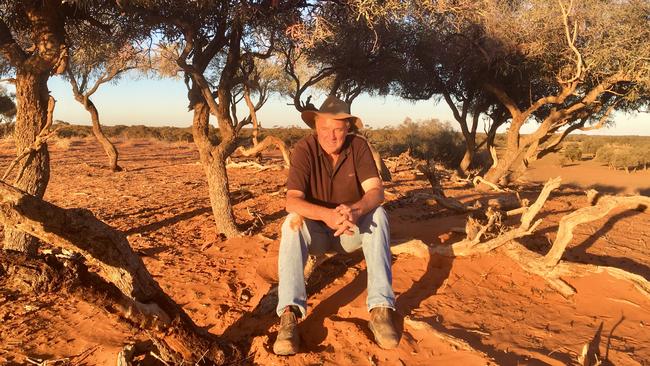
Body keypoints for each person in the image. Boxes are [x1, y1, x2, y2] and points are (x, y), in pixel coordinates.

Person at [273, 95, 399, 356]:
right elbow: (291, 201)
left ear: (348, 129)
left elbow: (375, 192)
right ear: (316, 127)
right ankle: (289, 315)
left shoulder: (359, 147)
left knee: (379, 215)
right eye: (325, 129)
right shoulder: (304, 149)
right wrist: (327, 215)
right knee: (291, 224)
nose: (331, 136)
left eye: (338, 130)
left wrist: (356, 209)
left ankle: (380, 309)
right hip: (318, 231)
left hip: (351, 230)